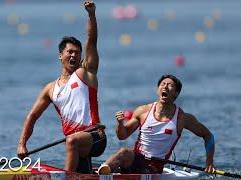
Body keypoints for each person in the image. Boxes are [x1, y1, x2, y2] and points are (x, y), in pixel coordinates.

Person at [17, 1, 106, 173]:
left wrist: (91, 14)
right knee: (80, 168)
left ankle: (65, 177)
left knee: (71, 141)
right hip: (75, 144)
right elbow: (32, 116)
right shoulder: (50, 89)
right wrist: (22, 144)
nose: (74, 55)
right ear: (60, 56)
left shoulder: (85, 74)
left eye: (77, 52)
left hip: (95, 136)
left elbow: (92, 41)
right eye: (70, 52)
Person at [98, 75, 215, 174]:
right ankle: (101, 172)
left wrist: (209, 163)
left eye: (170, 85)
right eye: (163, 84)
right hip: (135, 158)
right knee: (124, 152)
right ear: (158, 90)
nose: (165, 86)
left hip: (155, 167)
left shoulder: (182, 118)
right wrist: (120, 124)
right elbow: (122, 136)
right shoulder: (143, 111)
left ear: (176, 94)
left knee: (130, 157)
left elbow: (208, 136)